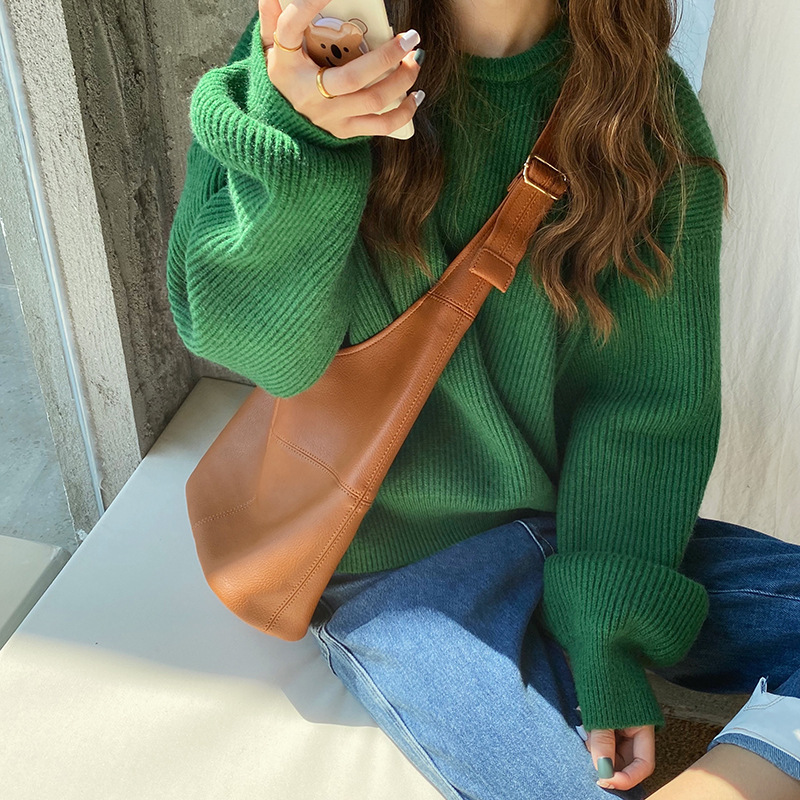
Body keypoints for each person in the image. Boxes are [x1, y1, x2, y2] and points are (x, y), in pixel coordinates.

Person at [166, 0, 800, 797]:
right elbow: (263, 352)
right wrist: (305, 143)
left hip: (575, 525)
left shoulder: (641, 108)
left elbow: (642, 409)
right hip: (394, 571)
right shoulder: (317, 60)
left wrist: (610, 633)